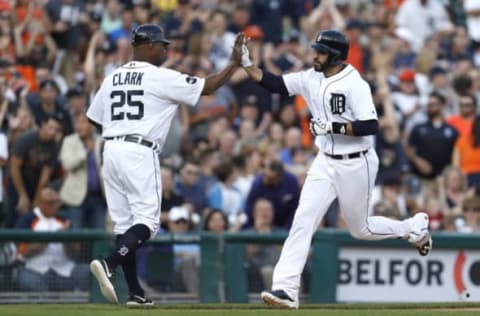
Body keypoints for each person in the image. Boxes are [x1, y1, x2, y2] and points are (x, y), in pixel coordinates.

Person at [240, 29, 433, 309]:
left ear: (335, 55)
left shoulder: (355, 83)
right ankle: (286, 289)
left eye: (320, 51)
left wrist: (332, 126)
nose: (314, 54)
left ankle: (413, 228)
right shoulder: (311, 77)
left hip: (357, 160)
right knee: (303, 220)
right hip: (325, 160)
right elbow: (275, 84)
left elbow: (370, 124)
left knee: (361, 229)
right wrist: (247, 65)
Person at [86, 24, 244, 306]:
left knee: (126, 225)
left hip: (110, 150)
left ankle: (135, 292)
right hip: (139, 150)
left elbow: (94, 119)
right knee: (148, 222)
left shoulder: (113, 77)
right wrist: (233, 64)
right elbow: (208, 87)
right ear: (148, 46)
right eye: (162, 45)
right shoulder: (158, 77)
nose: (165, 49)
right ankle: (109, 264)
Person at [15, 188, 89, 291]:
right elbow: (24, 252)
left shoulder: (64, 220)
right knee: (28, 280)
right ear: (40, 203)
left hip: (64, 270)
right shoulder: (27, 220)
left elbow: (74, 253)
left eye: (56, 202)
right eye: (50, 203)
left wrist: (66, 239)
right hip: (35, 270)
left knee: (86, 271)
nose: (55, 206)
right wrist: (54, 236)